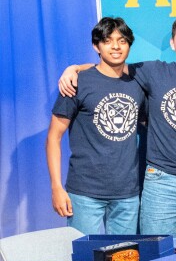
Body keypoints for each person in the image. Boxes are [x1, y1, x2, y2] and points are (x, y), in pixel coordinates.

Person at [58, 14, 176, 236]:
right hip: (160, 180)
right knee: (157, 251)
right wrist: (75, 68)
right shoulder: (154, 71)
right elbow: (109, 65)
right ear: (173, 43)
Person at [46, 17, 145, 234]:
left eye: (122, 41)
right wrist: (56, 187)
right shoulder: (77, 82)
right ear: (96, 46)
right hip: (84, 192)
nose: (116, 47)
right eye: (108, 41)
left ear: (129, 44)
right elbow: (54, 137)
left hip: (127, 194)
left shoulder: (137, 82)